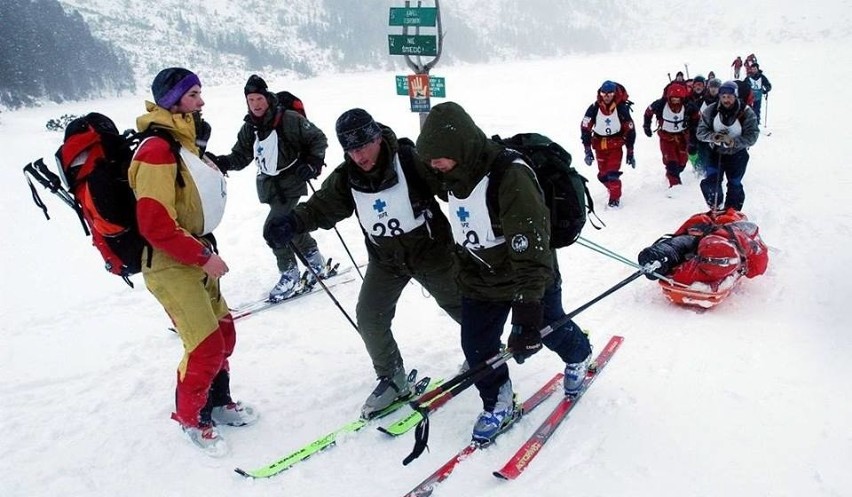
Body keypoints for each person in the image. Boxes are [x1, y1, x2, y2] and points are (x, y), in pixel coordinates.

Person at [263, 109, 463, 418]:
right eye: (351, 150)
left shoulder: (409, 160)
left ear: (377, 139)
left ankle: (483, 350)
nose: (358, 156)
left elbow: (452, 185)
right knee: (369, 316)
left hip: (431, 254)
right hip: (386, 261)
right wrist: (292, 222)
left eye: (363, 147)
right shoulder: (348, 176)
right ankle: (392, 376)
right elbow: (321, 207)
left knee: (462, 306)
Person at [415, 102, 592, 443]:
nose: (433, 166)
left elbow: (532, 250)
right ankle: (498, 400)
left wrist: (527, 314)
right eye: (430, 160)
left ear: (460, 149)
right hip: (480, 277)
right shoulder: (450, 173)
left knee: (547, 327)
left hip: (529, 272)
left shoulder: (511, 176)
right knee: (477, 346)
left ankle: (579, 354)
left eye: (439, 158)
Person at [129, 67, 258, 457]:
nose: (201, 102)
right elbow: (154, 223)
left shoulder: (181, 143)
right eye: (193, 95)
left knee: (224, 334)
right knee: (203, 345)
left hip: (195, 255)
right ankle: (191, 417)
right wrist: (202, 256)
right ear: (172, 101)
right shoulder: (155, 150)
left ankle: (219, 403)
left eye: (199, 94)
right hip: (171, 264)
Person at [208, 74, 330, 301]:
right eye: (251, 100)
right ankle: (315, 260)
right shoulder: (250, 128)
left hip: (292, 183)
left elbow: (318, 139)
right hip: (271, 188)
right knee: (291, 226)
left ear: (267, 97)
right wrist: (222, 162)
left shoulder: (289, 119)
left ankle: (290, 274)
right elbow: (241, 155)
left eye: (259, 99)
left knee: (274, 229)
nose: (255, 104)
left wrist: (312, 163)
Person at [696, 81, 760, 210]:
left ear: (735, 96)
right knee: (711, 182)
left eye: (729, 97)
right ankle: (716, 208)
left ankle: (732, 212)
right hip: (715, 153)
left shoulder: (746, 112)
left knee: (734, 184)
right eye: (723, 97)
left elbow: (752, 136)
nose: (726, 100)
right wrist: (714, 137)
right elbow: (700, 133)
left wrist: (734, 142)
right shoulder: (711, 110)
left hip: (737, 155)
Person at [580, 80, 637, 208]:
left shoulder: (621, 108)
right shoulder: (594, 108)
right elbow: (585, 127)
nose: (606, 96)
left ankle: (614, 200)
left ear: (614, 94)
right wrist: (587, 150)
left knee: (612, 174)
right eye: (603, 93)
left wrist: (630, 152)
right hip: (599, 145)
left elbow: (630, 130)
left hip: (615, 146)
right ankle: (612, 188)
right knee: (603, 175)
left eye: (610, 94)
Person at [643, 83, 699, 189]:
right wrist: (646, 126)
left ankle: (674, 173)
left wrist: (693, 139)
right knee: (671, 162)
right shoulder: (660, 104)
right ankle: (675, 185)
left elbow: (696, 120)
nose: (675, 101)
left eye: (678, 99)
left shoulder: (689, 106)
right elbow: (648, 112)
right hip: (666, 137)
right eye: (673, 98)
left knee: (682, 163)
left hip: (682, 137)